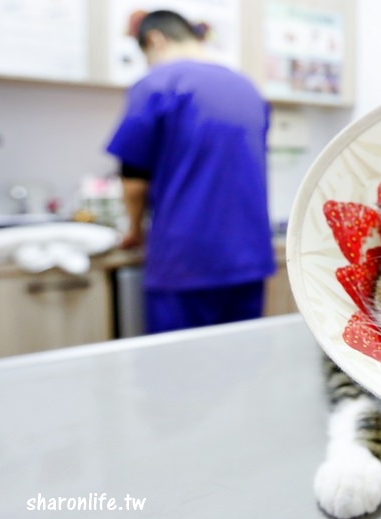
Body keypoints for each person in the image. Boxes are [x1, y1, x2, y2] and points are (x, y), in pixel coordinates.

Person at [107, 10, 276, 334]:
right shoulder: (247, 88)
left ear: (155, 40)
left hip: (184, 260)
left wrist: (133, 229)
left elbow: (134, 182)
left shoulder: (156, 83)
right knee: (241, 369)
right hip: (249, 258)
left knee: (178, 375)